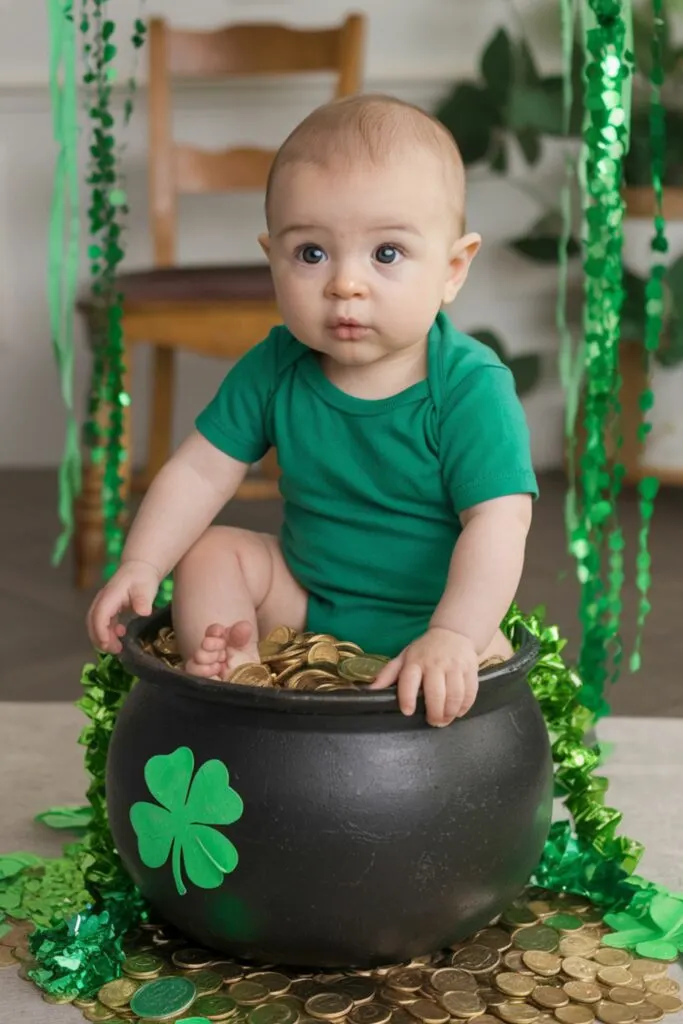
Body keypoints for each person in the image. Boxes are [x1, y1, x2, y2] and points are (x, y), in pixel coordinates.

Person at [87, 93, 537, 728]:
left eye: (386, 254)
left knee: (481, 668)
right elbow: (198, 472)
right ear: (273, 258)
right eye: (311, 254)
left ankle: (449, 654)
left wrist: (455, 634)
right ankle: (236, 667)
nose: (344, 284)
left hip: (430, 610)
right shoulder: (277, 365)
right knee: (212, 552)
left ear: (453, 269)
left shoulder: (469, 388)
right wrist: (142, 562)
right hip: (304, 598)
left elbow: (498, 523)